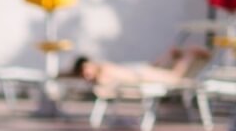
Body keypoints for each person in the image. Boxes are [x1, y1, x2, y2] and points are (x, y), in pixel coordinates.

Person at [71, 46, 210, 88]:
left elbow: (107, 86)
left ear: (88, 64)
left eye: (85, 70)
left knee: (175, 78)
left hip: (139, 75)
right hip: (136, 72)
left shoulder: (101, 70)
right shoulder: (100, 69)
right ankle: (170, 54)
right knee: (156, 68)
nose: (85, 75)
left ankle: (190, 55)